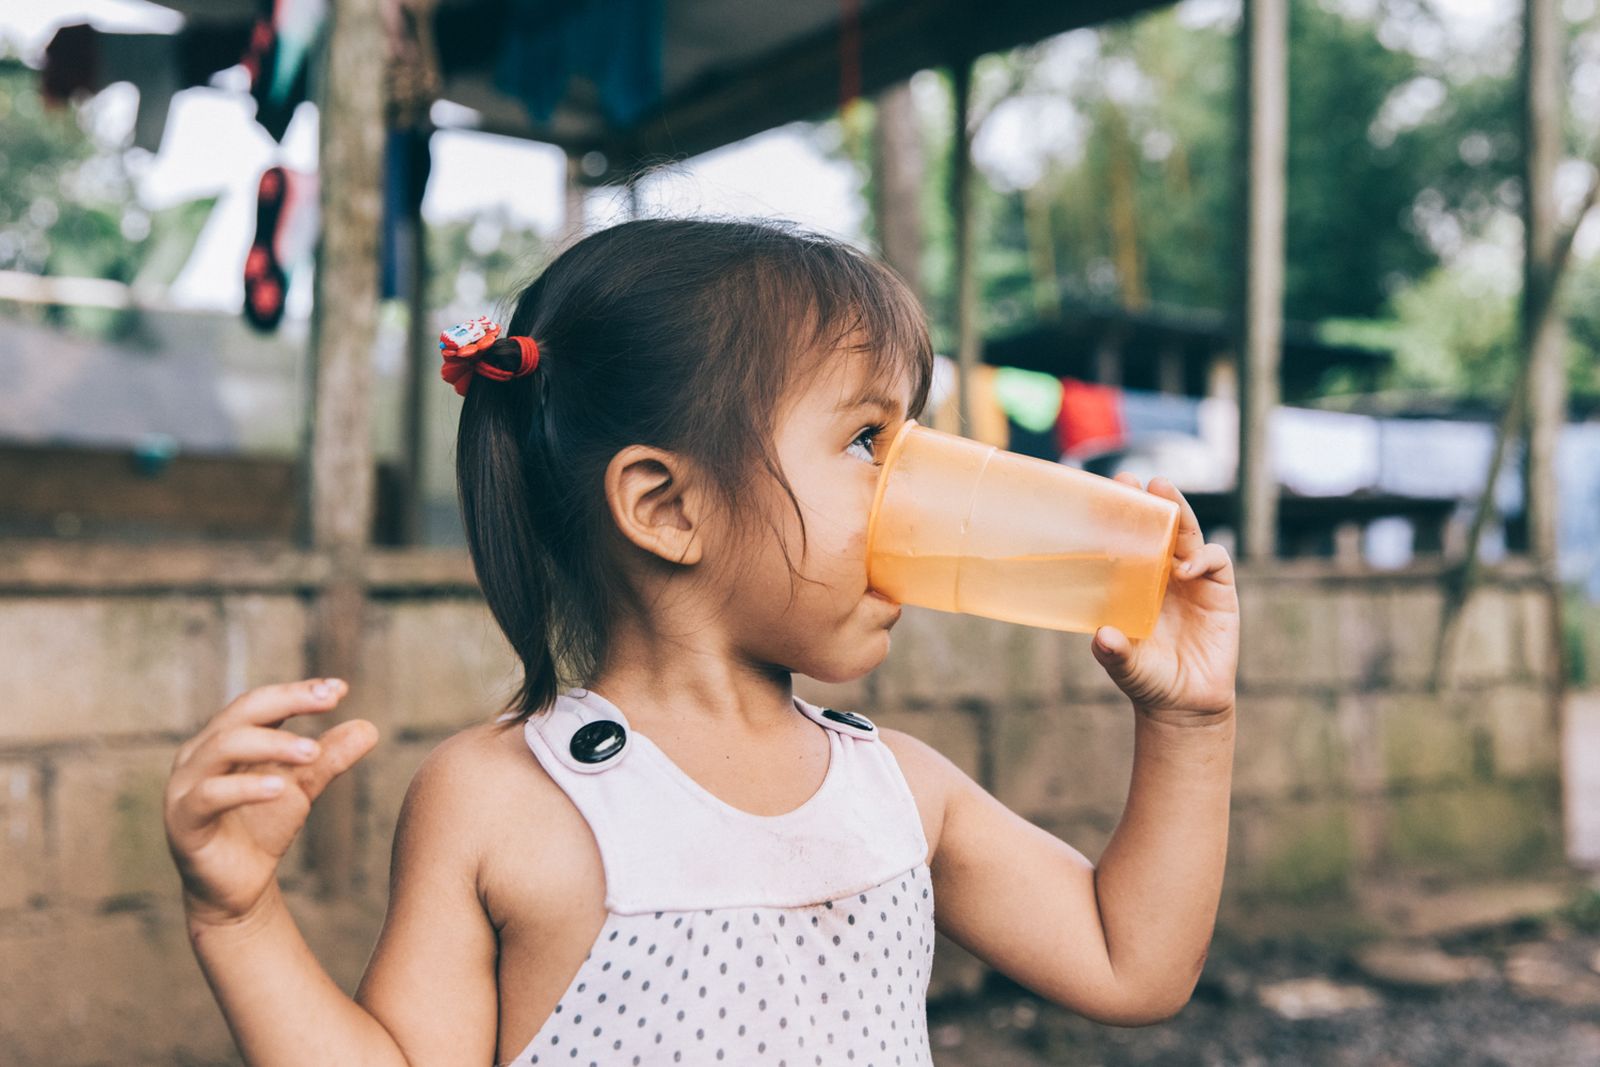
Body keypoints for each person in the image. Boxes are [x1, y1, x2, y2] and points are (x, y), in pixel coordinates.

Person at [164, 217, 1240, 1066]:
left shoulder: (899, 788)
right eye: (868, 439)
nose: (916, 489)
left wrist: (1190, 719)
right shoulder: (501, 797)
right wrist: (241, 916)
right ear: (665, 506)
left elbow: (1128, 960)